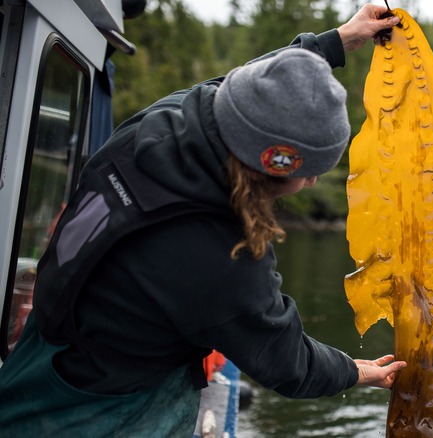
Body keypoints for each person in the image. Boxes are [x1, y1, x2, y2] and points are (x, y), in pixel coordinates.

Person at [0, 4, 405, 436]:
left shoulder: (169, 119)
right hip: (99, 408)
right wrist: (357, 372)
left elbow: (247, 91)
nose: (313, 182)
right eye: (309, 171)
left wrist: (339, 40)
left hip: (45, 344)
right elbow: (287, 362)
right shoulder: (221, 253)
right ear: (272, 165)